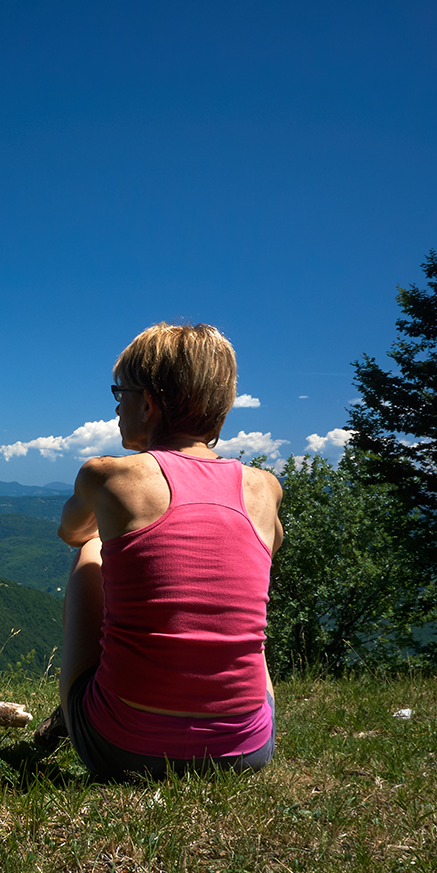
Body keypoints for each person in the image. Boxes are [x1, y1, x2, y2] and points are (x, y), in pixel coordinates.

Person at [36, 322, 282, 782]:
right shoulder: (264, 488)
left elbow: (70, 532)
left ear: (147, 404)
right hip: (246, 751)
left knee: (91, 549)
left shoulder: (107, 475)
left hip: (119, 749)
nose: (116, 408)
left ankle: (89, 709)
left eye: (120, 393)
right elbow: (272, 546)